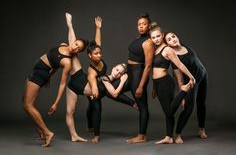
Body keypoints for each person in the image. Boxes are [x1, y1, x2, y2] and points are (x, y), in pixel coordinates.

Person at [63, 13, 136, 143]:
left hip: (82, 79)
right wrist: (70, 24)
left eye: (100, 53)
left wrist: (98, 28)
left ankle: (93, 130)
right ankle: (75, 135)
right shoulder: (91, 70)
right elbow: (94, 83)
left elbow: (97, 43)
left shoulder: (97, 55)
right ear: (90, 56)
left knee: (96, 104)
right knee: (72, 111)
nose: (99, 55)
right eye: (96, 54)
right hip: (74, 85)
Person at [22, 16, 88, 147]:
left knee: (28, 105)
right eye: (76, 44)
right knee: (25, 102)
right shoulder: (63, 44)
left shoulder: (67, 62)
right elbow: (53, 65)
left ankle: (47, 132)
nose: (75, 48)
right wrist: (69, 23)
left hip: (39, 75)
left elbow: (63, 83)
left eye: (79, 49)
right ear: (73, 42)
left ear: (78, 52)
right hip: (37, 72)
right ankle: (41, 131)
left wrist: (56, 103)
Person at [149, 24, 196, 144]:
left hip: (165, 83)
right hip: (158, 84)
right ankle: (169, 137)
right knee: (167, 112)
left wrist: (191, 77)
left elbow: (179, 64)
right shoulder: (155, 50)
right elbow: (153, 70)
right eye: (153, 37)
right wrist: (154, 87)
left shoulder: (167, 49)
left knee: (169, 111)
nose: (156, 39)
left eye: (158, 36)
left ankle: (184, 91)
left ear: (162, 35)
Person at [164, 31, 208, 143]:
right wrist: (182, 96)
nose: (173, 39)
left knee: (201, 103)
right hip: (192, 83)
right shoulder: (175, 58)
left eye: (173, 36)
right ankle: (178, 134)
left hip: (203, 75)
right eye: (169, 39)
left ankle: (201, 129)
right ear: (168, 45)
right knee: (188, 108)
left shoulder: (184, 46)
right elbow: (180, 79)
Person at [126, 13, 155, 143]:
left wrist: (141, 86)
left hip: (138, 73)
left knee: (142, 106)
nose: (141, 26)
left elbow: (148, 66)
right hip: (131, 72)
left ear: (149, 26)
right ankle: (132, 103)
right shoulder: (139, 38)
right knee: (112, 91)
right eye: (139, 24)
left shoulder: (148, 42)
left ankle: (142, 136)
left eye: (144, 24)